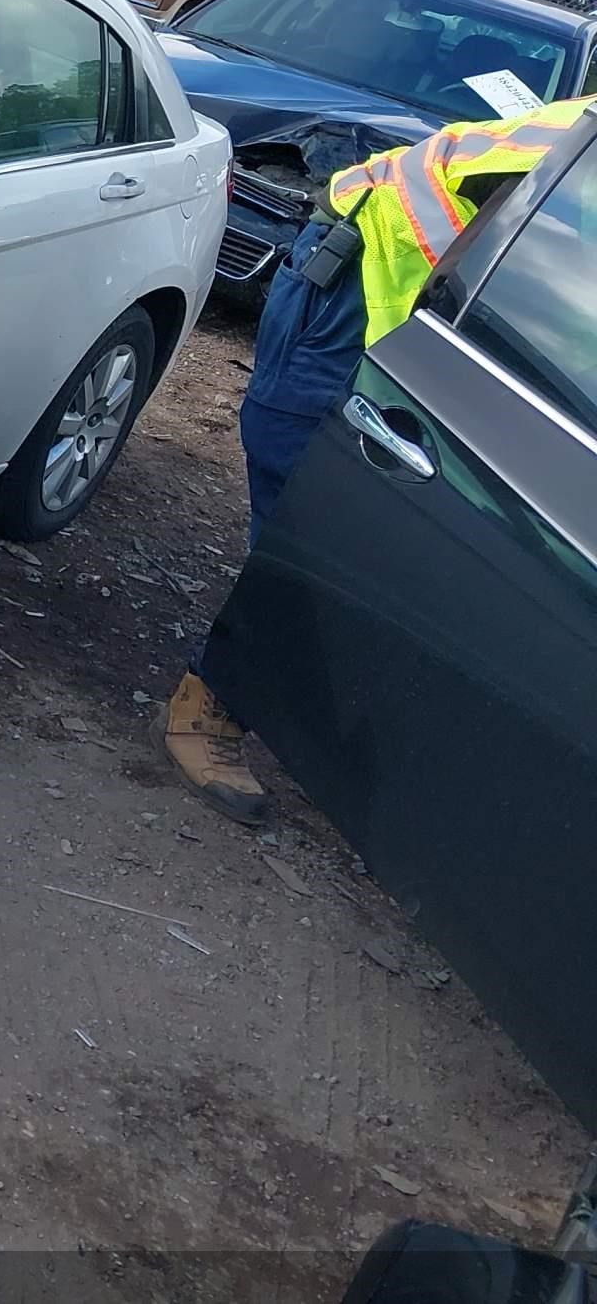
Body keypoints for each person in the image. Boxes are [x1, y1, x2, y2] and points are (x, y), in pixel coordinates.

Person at [165, 93, 595, 822]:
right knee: (314, 520)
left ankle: (313, 712)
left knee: (380, 536)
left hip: (404, 302)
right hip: (350, 289)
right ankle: (210, 707)